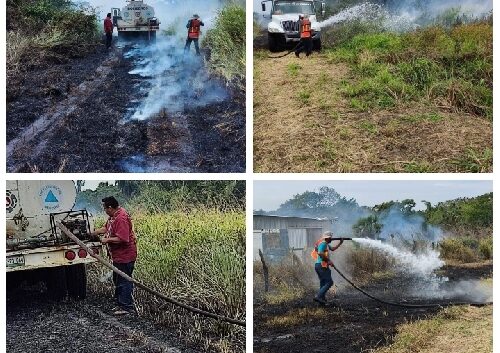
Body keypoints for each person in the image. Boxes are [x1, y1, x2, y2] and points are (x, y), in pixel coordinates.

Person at [91, 196, 137, 315]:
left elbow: (123, 239)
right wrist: (93, 232)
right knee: (117, 279)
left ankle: (127, 307)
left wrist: (107, 240)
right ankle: (120, 303)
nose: (104, 211)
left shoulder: (121, 218)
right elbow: (106, 228)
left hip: (125, 255)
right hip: (117, 256)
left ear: (110, 208)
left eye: (105, 208)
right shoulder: (113, 217)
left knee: (124, 280)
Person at [311, 231, 343, 305]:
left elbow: (333, 249)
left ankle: (322, 301)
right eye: (331, 237)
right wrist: (328, 260)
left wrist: (340, 243)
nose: (331, 239)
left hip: (319, 265)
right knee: (329, 282)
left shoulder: (326, 244)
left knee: (323, 282)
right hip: (322, 265)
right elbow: (320, 253)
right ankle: (318, 297)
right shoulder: (323, 243)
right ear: (328, 238)